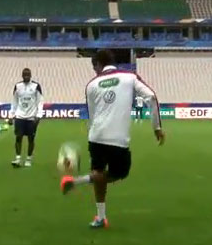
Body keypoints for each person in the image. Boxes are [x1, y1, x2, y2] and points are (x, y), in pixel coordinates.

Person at [60, 50, 165, 229]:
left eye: (95, 68)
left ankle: (100, 217)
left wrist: (93, 132)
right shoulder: (129, 76)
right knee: (119, 173)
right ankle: (78, 183)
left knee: (99, 173)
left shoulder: (92, 84)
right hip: (117, 138)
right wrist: (156, 127)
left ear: (98, 65)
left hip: (96, 136)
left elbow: (92, 116)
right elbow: (152, 97)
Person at [8, 68, 44, 168]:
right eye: (24, 75)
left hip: (31, 117)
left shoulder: (36, 86)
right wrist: (11, 116)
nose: (26, 76)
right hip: (19, 116)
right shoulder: (17, 86)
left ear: (31, 75)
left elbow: (40, 101)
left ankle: (28, 159)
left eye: (28, 75)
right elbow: (14, 101)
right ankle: (18, 159)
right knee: (18, 138)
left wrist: (39, 115)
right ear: (22, 75)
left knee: (31, 139)